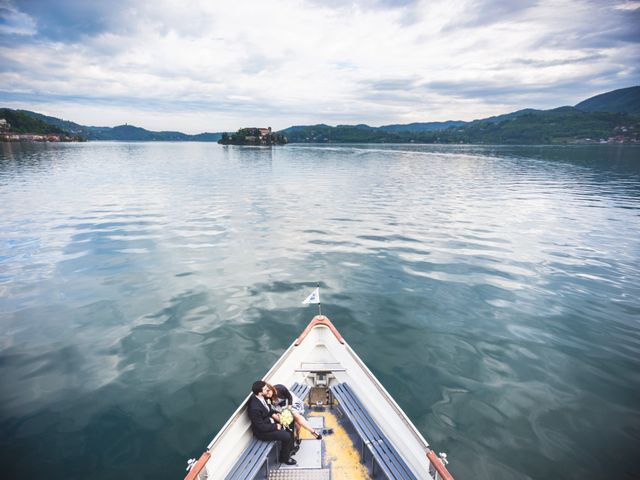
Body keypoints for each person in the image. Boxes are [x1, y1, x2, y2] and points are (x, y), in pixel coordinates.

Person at [247, 380, 296, 465]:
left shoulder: (263, 397)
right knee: (286, 436)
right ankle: (284, 458)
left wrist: (277, 415)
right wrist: (275, 426)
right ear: (259, 393)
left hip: (269, 421)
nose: (268, 389)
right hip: (262, 432)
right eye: (265, 389)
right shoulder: (254, 408)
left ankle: (290, 448)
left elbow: (268, 410)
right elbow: (260, 427)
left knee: (290, 421)